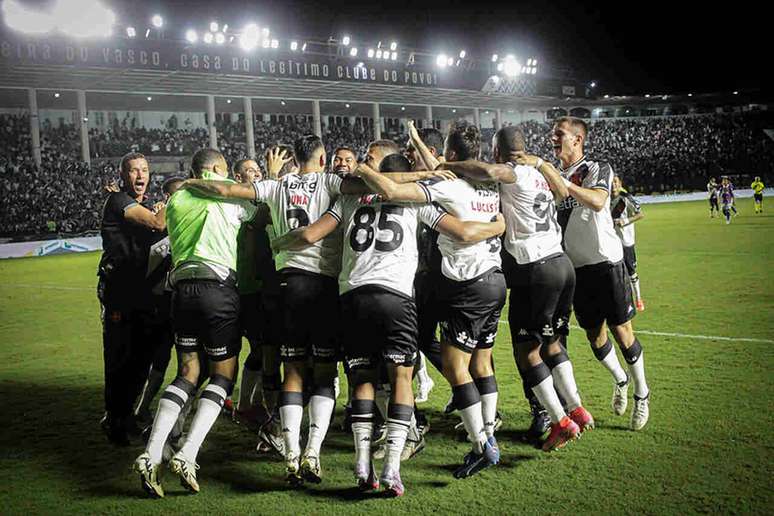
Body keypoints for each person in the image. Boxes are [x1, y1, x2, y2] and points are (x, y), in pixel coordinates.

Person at [272, 152, 505, 496]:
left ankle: (362, 466)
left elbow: (310, 235)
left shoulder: (349, 199)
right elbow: (462, 232)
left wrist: (281, 242)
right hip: (395, 297)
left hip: (352, 297)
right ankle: (392, 469)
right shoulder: (414, 204)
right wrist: (498, 225)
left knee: (362, 379)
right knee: (400, 377)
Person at [355, 120, 506, 478]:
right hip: (496, 281)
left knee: (456, 367)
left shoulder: (446, 188)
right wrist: (419, 143)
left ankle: (481, 444)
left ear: (451, 155)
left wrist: (364, 170)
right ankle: (489, 430)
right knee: (480, 363)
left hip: (468, 286)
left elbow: (392, 191)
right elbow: (441, 168)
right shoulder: (489, 183)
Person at [440, 125, 594, 452]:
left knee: (528, 352)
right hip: (562, 264)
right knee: (552, 343)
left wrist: (449, 165)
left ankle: (559, 419)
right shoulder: (539, 173)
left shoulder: (512, 172)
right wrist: (540, 164)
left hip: (536, 269)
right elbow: (564, 193)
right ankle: (576, 406)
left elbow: (492, 171)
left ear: (498, 151)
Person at [133, 149, 258, 498]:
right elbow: (256, 211)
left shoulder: (175, 200)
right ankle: (188, 454)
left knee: (187, 372)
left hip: (182, 292)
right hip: (218, 289)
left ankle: (151, 453)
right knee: (222, 375)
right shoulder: (228, 189)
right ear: (218, 168)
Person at [533, 116, 650, 431]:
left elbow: (599, 201)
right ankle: (621, 378)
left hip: (608, 263)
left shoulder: (597, 168)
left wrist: (562, 183)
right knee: (594, 336)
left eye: (560, 134)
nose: (553, 138)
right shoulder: (552, 177)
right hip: (575, 269)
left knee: (623, 333)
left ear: (577, 139)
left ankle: (642, 394)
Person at [98, 152, 167, 446]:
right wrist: (169, 205)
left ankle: (124, 414)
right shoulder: (118, 201)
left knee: (142, 357)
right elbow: (156, 224)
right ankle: (114, 419)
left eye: (144, 170)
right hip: (118, 294)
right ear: (123, 176)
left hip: (140, 295)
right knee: (119, 357)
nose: (140, 175)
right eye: (134, 171)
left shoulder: (139, 204)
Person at [133, 177, 185, 427]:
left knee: (187, 362)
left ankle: (172, 415)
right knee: (161, 360)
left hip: (179, 302)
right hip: (162, 306)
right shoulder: (154, 231)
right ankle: (141, 409)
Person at [611, 175, 646, 312]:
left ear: (620, 183)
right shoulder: (605, 198)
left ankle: (638, 298)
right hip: (611, 242)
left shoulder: (626, 198)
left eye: (615, 182)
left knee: (631, 272)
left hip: (626, 242)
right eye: (611, 182)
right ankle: (621, 300)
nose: (613, 185)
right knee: (615, 273)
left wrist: (625, 222)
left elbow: (640, 214)